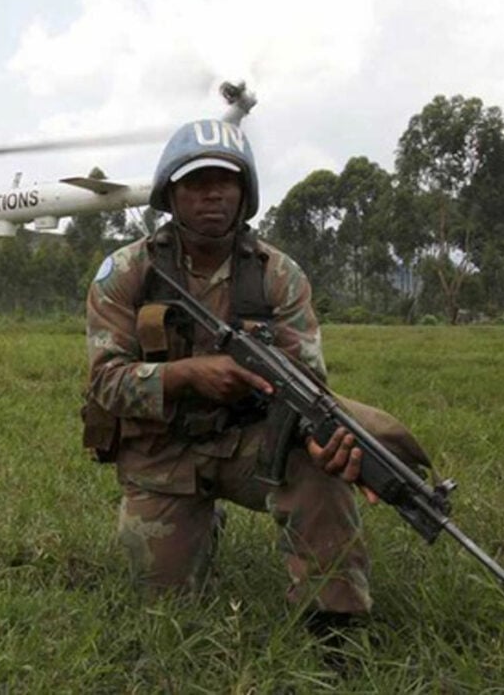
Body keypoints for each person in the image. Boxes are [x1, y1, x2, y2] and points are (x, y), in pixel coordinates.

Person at [83, 117, 381, 625]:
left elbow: (309, 384)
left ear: (245, 194)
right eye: (196, 183)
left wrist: (317, 439)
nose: (212, 196)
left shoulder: (278, 274)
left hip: (254, 443)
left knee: (321, 467)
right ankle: (200, 522)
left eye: (226, 182)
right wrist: (186, 375)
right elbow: (105, 384)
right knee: (166, 614)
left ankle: (334, 621)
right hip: (163, 454)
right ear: (170, 195)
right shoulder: (129, 272)